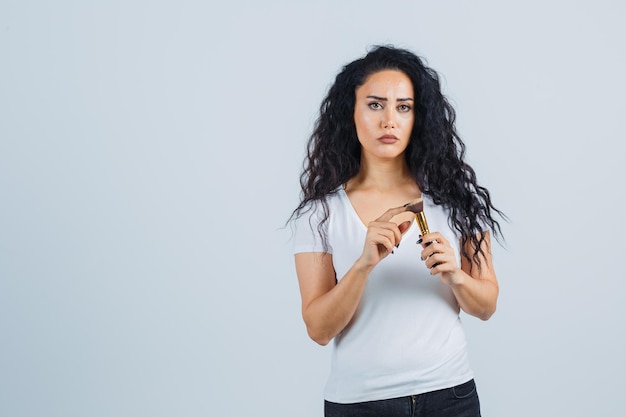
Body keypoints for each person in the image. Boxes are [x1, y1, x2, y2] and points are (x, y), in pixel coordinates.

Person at [289, 45, 505, 417]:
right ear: (350, 113)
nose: (390, 120)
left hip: (450, 397)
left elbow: (486, 306)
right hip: (360, 403)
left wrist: (455, 276)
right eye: (375, 105)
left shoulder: (457, 200)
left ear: (417, 117)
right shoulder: (319, 213)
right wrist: (362, 265)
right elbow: (319, 330)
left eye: (403, 107)